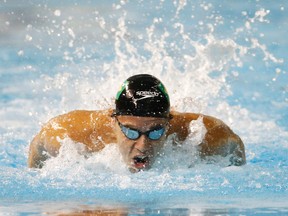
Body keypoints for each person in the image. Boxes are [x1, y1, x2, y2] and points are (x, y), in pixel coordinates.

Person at [28, 74, 246, 172]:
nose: (143, 146)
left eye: (155, 132)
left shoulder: (207, 136)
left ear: (168, 124)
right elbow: (37, 147)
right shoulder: (72, 135)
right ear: (114, 122)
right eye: (131, 133)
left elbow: (236, 149)